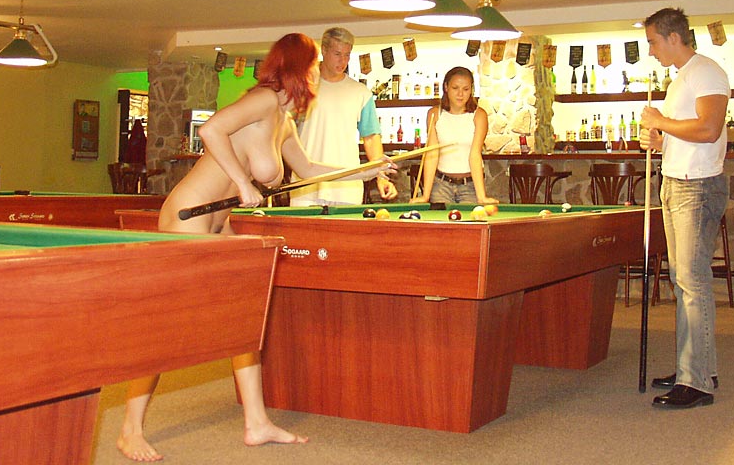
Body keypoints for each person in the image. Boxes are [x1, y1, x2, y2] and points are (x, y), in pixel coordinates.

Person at [117, 33, 395, 461]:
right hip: (187, 218)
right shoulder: (264, 99)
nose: (319, 73)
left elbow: (309, 169)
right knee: (168, 328)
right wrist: (243, 182)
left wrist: (367, 170)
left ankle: (256, 422)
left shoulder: (284, 120)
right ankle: (129, 430)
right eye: (314, 65)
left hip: (219, 222)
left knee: (245, 316)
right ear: (297, 67)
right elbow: (211, 130)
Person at [638, 7, 729, 410]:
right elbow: (689, 134)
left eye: (653, 42)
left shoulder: (705, 71)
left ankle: (696, 382)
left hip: (697, 187)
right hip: (676, 183)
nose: (650, 50)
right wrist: (661, 141)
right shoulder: (682, 78)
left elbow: (709, 129)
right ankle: (695, 367)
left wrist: (662, 122)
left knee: (691, 283)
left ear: (673, 37)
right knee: (683, 281)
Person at [290, 27, 398, 206]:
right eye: (337, 54)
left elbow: (371, 137)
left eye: (347, 55)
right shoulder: (302, 88)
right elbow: (284, 131)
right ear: (324, 50)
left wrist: (381, 176)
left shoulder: (361, 92)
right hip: (306, 186)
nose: (343, 61)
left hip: (347, 187)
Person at [411, 65, 497, 205]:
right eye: (455, 88)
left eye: (466, 89)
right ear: (446, 87)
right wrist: (425, 195)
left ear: (471, 90)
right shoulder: (434, 114)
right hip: (441, 186)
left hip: (470, 186)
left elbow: (475, 155)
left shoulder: (479, 115)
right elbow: (432, 154)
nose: (460, 94)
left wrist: (481, 197)